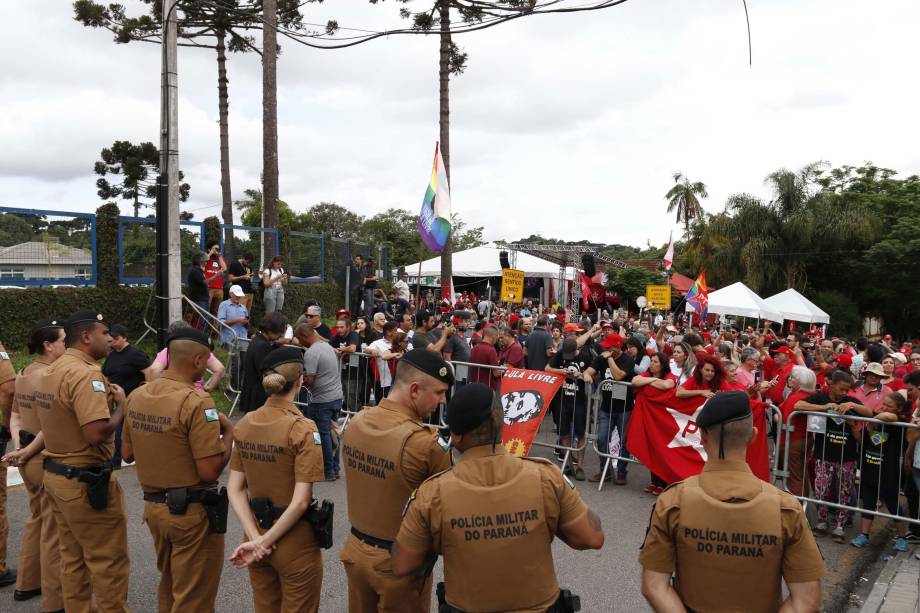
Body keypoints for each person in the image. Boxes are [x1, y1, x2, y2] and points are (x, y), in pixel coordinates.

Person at [392, 384, 605, 612]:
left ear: (456, 435)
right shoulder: (546, 477)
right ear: (502, 426)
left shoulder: (431, 494)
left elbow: (402, 563)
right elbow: (592, 537)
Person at [640, 391, 826, 613]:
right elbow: (807, 600)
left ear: (702, 436)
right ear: (754, 435)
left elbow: (654, 586)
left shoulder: (672, 502)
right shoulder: (786, 508)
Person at [121, 327, 234, 612]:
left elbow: (127, 453)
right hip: (191, 515)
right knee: (194, 597)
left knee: (171, 585)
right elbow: (209, 472)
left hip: (155, 509)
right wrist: (229, 434)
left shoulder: (137, 395)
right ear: (198, 361)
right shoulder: (197, 401)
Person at [340, 349, 454, 613]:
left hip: (356, 552)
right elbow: (448, 511)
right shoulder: (426, 444)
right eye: (438, 392)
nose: (443, 401)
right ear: (415, 390)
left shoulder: (357, 422)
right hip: (400, 566)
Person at [38, 310, 130, 612]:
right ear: (87, 336)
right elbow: (96, 433)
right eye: (105, 333)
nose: (110, 338)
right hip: (84, 481)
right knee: (108, 563)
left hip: (56, 476)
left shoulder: (52, 369)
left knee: (73, 560)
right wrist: (122, 408)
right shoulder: (86, 374)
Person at [227, 347, 327, 612]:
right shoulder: (302, 428)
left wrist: (256, 537)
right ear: (300, 380)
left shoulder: (246, 422)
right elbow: (300, 502)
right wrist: (265, 540)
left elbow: (234, 489)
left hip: (256, 534)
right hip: (293, 541)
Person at [2, 320, 65, 607]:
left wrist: (17, 446)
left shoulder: (26, 372)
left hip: (26, 454)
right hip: (41, 454)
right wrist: (27, 450)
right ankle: (55, 598)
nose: (68, 345)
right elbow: (51, 424)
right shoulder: (51, 376)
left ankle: (27, 583)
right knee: (52, 529)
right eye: (63, 340)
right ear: (48, 345)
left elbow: (15, 415)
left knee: (37, 519)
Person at [793, 369, 870, 542]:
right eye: (841, 389)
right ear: (831, 385)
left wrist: (852, 406)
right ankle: (821, 522)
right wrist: (825, 407)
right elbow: (798, 406)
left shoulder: (850, 400)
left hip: (847, 457)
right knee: (822, 490)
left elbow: (869, 413)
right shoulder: (821, 397)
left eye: (847, 389)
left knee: (844, 492)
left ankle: (839, 526)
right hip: (823, 454)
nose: (844, 393)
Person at [850, 393, 912, 552]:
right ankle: (864, 535)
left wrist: (875, 416)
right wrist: (852, 426)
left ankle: (902, 537)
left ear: (899, 409)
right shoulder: (874, 421)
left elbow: (889, 416)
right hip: (870, 467)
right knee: (868, 502)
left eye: (889, 405)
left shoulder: (900, 423)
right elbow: (862, 440)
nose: (884, 407)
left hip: (889, 471)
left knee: (892, 504)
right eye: (883, 404)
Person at [584, 333, 635, 485]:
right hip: (606, 406)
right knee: (601, 438)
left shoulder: (628, 360)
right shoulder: (601, 358)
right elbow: (589, 370)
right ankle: (604, 470)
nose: (605, 349)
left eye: (609, 347)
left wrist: (610, 359)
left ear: (618, 346)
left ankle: (621, 471)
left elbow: (619, 376)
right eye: (605, 346)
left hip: (624, 407)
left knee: (624, 440)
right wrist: (587, 375)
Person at [294, 323, 344, 480]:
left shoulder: (311, 353)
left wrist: (298, 377)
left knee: (323, 435)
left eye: (299, 340)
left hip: (321, 400)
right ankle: (335, 468)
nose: (300, 343)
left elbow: (310, 379)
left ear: (304, 337)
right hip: (336, 396)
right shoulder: (328, 347)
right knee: (333, 433)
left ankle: (328, 470)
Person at [102, 324, 152, 468]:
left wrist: (146, 392)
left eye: (116, 338)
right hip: (115, 402)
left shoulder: (134, 353)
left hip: (132, 401)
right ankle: (115, 463)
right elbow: (105, 373)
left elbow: (148, 371)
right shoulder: (111, 354)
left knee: (120, 436)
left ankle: (117, 464)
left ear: (124, 337)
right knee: (117, 435)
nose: (113, 341)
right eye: (112, 339)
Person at [546, 337, 594, 481]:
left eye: (571, 355)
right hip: (562, 400)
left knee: (581, 434)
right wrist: (561, 372)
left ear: (576, 350)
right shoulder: (560, 354)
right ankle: (569, 465)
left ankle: (579, 467)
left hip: (579, 401)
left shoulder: (585, 356)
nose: (567, 358)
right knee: (564, 433)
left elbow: (592, 374)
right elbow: (547, 368)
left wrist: (582, 375)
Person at [631, 353, 676, 494]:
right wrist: (653, 379)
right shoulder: (646, 373)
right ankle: (654, 482)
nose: (651, 363)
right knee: (652, 448)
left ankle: (664, 482)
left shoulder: (670, 376)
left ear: (662, 365)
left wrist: (648, 381)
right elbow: (635, 381)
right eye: (651, 361)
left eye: (655, 362)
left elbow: (666, 385)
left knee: (663, 450)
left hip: (664, 419)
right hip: (651, 418)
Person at [150, 321, 225, 394]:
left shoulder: (167, 351)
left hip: (173, 393)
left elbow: (154, 370)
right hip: (197, 393)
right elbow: (219, 369)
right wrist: (207, 388)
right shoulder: (201, 349)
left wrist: (159, 391)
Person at [779, 366, 817, 497]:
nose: (790, 379)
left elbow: (783, 418)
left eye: (793, 377)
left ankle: (797, 507)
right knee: (801, 473)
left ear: (800, 382)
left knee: (794, 476)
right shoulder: (810, 395)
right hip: (805, 439)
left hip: (793, 440)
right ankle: (803, 501)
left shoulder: (795, 397)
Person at [240, 312, 287, 413]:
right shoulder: (262, 346)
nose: (281, 335)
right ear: (270, 330)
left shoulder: (257, 341)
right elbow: (265, 373)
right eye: (279, 332)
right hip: (257, 396)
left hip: (252, 393)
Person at [367, 321, 402, 400]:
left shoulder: (401, 343)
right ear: (388, 332)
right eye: (396, 330)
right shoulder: (378, 343)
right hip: (385, 381)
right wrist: (372, 351)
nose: (398, 332)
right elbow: (366, 349)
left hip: (399, 382)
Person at [469, 326, 501, 390]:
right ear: (494, 336)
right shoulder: (491, 350)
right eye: (497, 337)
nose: (497, 340)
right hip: (487, 387)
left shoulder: (475, 348)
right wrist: (506, 369)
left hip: (474, 385)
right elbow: (496, 373)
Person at [187, 253, 211, 328]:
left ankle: (202, 337)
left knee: (204, 320)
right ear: (200, 261)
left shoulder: (199, 270)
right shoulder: (195, 271)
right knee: (200, 321)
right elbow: (205, 282)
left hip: (203, 299)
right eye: (205, 261)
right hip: (198, 300)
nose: (206, 263)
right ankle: (198, 337)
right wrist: (216, 276)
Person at [203, 242, 227, 315]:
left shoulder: (219, 258)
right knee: (206, 309)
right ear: (209, 249)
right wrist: (210, 253)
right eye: (215, 248)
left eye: (218, 249)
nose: (216, 250)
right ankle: (204, 326)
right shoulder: (205, 256)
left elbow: (224, 268)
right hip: (209, 288)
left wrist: (219, 256)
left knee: (217, 311)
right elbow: (202, 263)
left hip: (219, 288)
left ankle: (215, 326)